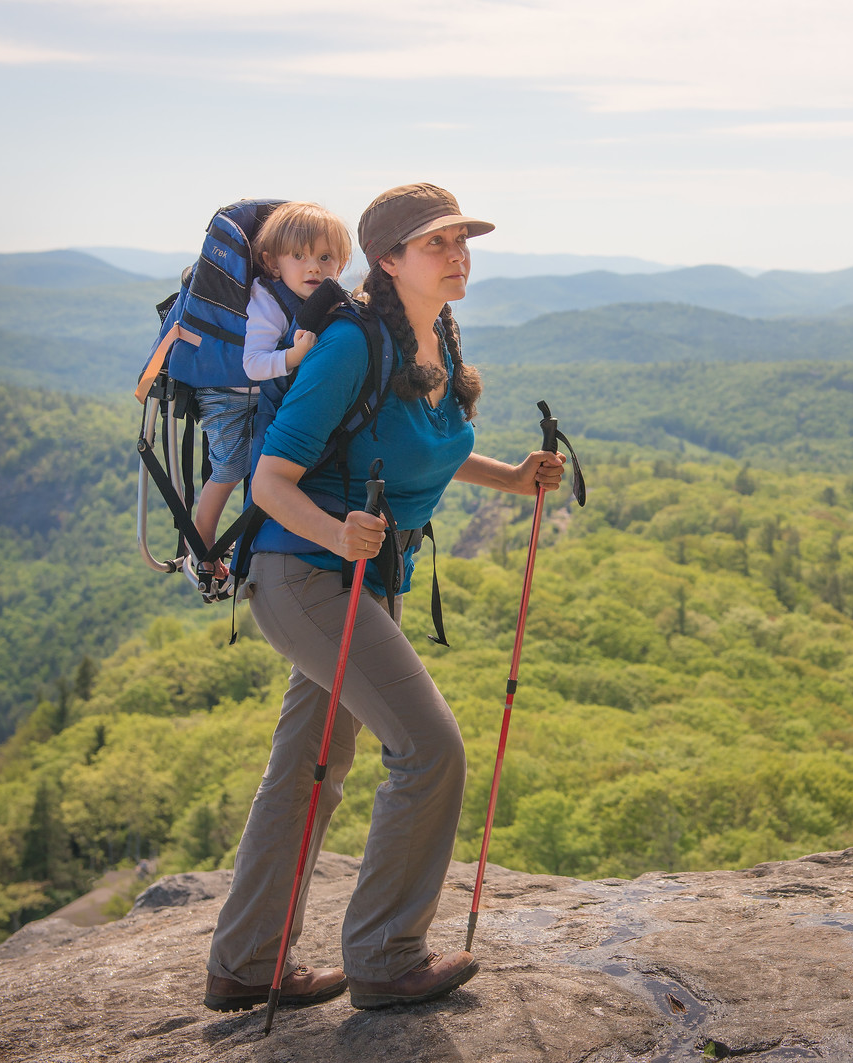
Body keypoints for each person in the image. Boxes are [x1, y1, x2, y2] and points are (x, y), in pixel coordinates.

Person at [203, 183, 565, 1012]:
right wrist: (337, 538)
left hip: (362, 578)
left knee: (309, 769)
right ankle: (385, 953)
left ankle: (246, 962)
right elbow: (272, 478)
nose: (458, 253)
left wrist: (512, 476)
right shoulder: (350, 343)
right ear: (389, 259)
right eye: (438, 242)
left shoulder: (433, 334)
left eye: (461, 239)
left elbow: (418, 444)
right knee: (430, 749)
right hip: (305, 573)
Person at [186, 201, 353, 592]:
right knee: (231, 466)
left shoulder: (320, 296)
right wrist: (295, 356)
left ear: (341, 264)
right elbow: (254, 364)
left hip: (261, 395)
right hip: (230, 395)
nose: (313, 266)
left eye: (325, 257)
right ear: (272, 264)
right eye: (299, 256)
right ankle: (200, 544)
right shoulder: (267, 300)